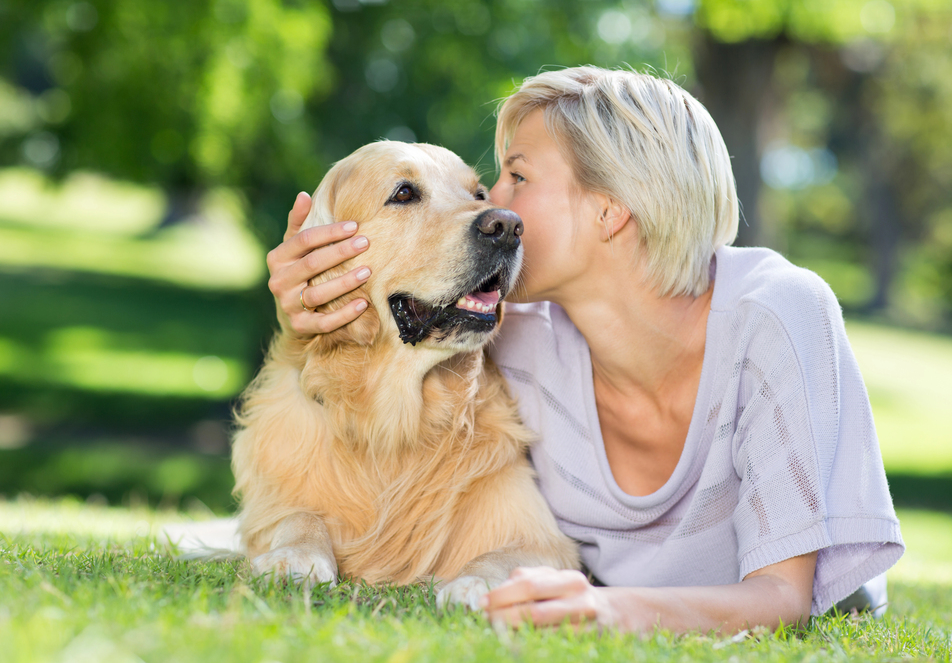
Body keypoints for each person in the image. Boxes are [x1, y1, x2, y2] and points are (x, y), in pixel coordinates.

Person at [265, 67, 904, 633]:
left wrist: (604, 610)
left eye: (515, 177)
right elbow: (365, 364)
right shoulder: (507, 327)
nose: (490, 206)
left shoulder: (778, 313)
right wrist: (310, 299)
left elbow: (782, 598)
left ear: (610, 210)